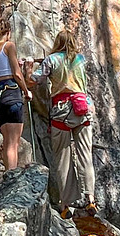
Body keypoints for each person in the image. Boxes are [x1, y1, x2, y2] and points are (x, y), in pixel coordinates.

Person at [37, 29, 95, 218]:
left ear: (57, 42)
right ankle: (90, 199)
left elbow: (37, 78)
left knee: (63, 158)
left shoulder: (51, 60)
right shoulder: (80, 59)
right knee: (85, 155)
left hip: (61, 111)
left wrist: (29, 68)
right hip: (82, 109)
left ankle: (66, 205)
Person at [0, 18, 30, 170]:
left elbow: (0, 70)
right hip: (12, 92)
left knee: (7, 141)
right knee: (13, 142)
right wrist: (26, 91)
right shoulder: (9, 45)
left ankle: (8, 173)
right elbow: (16, 74)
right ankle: (12, 176)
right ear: (8, 32)